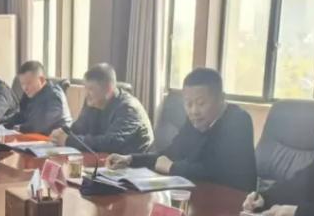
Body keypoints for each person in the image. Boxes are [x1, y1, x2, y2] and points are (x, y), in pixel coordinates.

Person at [107, 67, 256, 191]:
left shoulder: (238, 120)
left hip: (233, 202)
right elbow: (171, 153)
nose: (194, 111)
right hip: (200, 194)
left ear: (221, 98)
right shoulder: (196, 120)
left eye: (201, 103)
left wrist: (172, 167)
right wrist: (130, 159)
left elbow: (217, 172)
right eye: (188, 104)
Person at [53, 63, 153, 154]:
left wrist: (69, 140)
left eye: (91, 89)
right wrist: (63, 133)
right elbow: (79, 128)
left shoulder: (128, 108)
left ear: (108, 89)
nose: (86, 94)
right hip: (105, 161)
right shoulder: (92, 102)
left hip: (132, 164)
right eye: (85, 88)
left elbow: (111, 143)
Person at [0, 60, 71, 135]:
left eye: (28, 83)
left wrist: (18, 128)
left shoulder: (54, 96)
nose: (25, 88)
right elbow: (21, 116)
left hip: (55, 143)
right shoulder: (30, 93)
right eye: (22, 84)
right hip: (35, 139)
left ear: (41, 80)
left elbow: (40, 126)